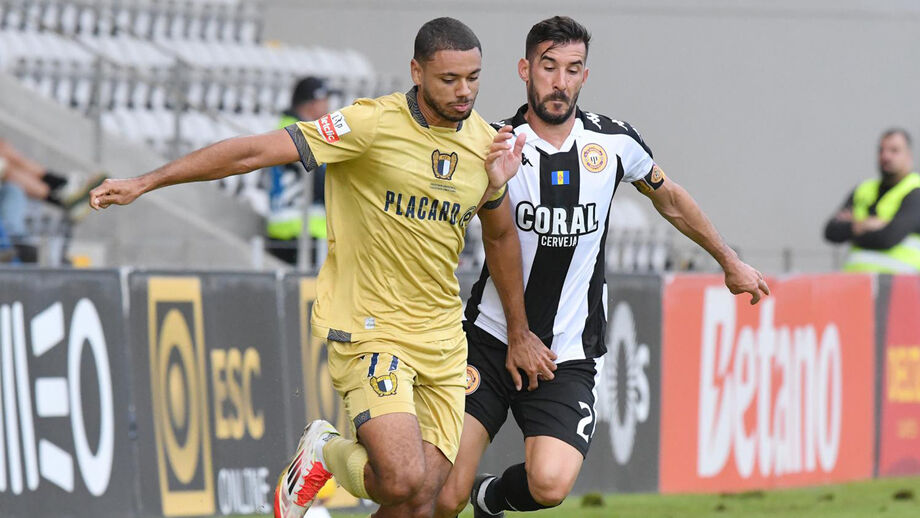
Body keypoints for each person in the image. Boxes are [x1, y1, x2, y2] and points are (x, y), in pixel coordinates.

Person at [89, 17, 544, 518]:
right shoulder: (370, 124)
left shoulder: (486, 144)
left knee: (423, 501)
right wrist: (146, 182)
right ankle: (324, 450)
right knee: (401, 478)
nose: (464, 91)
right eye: (449, 79)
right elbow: (253, 152)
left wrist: (517, 325)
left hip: (442, 339)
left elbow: (500, 235)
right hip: (372, 328)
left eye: (473, 78)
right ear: (417, 72)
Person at [434, 16, 770, 518]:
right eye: (549, 67)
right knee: (443, 496)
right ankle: (461, 493)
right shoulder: (496, 145)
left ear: (585, 76)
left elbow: (671, 199)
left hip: (568, 352)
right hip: (491, 338)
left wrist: (729, 261)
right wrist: (518, 334)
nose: (560, 81)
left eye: (573, 69)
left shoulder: (613, 142)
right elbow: (490, 236)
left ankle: (491, 497)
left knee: (549, 485)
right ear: (525, 69)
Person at [824, 128, 920, 272]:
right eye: (881, 150)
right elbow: (831, 231)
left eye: (894, 151)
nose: (886, 156)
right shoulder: (863, 189)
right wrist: (863, 225)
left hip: (898, 282)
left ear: (909, 156)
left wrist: (851, 228)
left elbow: (888, 238)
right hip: (856, 281)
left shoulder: (916, 191)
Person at [266, 77, 331, 265]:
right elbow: (322, 184)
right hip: (301, 232)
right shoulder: (297, 132)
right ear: (312, 104)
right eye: (325, 101)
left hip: (286, 228)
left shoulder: (284, 127)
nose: (328, 107)